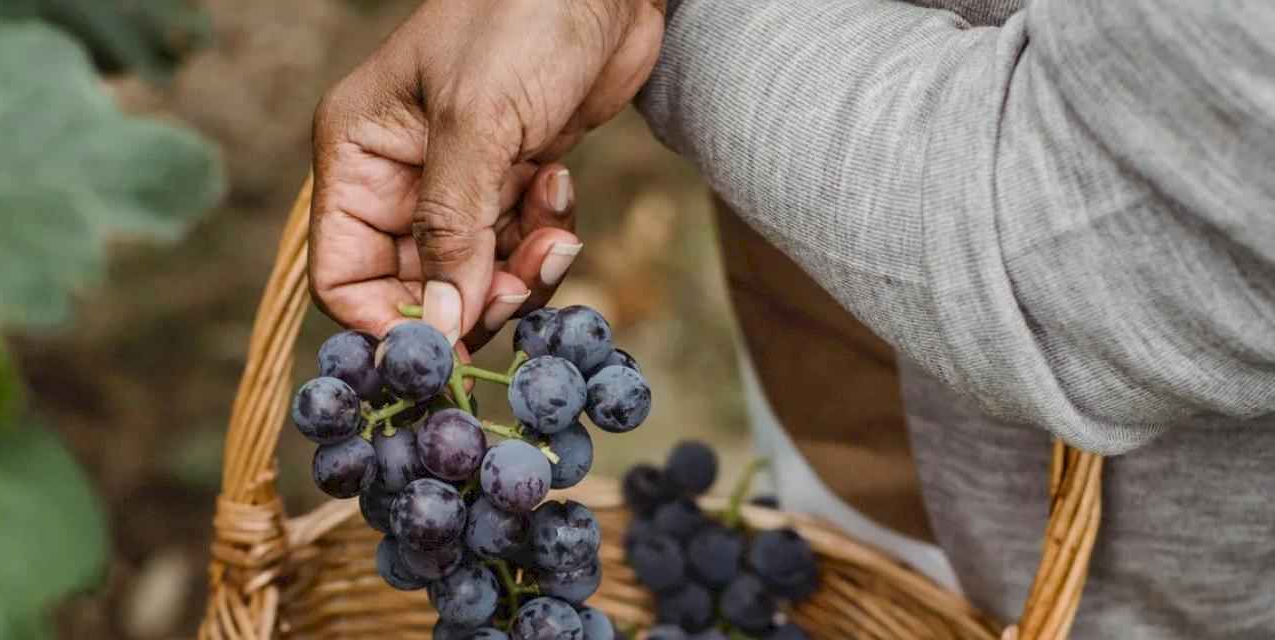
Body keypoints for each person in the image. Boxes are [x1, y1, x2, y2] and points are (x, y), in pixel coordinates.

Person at [307, 0, 1275, 637]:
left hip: (1139, 556)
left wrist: (651, 19)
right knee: (813, 543)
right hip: (837, 322)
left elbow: (1091, 228)